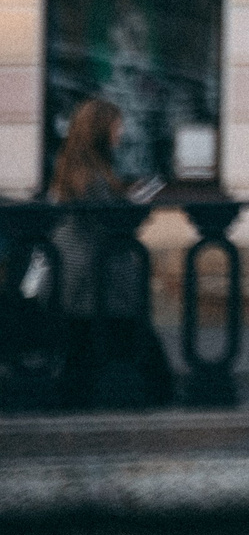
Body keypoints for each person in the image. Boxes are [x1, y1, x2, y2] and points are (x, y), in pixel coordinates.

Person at [46, 97, 172, 410]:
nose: (121, 133)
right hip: (97, 280)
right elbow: (110, 223)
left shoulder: (76, 168)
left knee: (84, 350)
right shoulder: (91, 175)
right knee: (134, 347)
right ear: (100, 131)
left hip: (80, 277)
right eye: (116, 126)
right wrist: (134, 206)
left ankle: (79, 405)